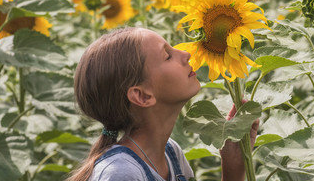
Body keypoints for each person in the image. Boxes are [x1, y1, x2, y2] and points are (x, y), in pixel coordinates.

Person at [68, 27, 259, 181]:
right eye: (167, 55)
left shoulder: (170, 152)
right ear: (142, 96)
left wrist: (234, 166)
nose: (185, 53)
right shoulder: (121, 174)